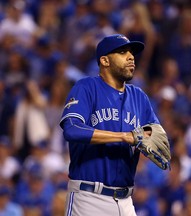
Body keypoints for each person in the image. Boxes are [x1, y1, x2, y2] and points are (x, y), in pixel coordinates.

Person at [60, 34, 169, 216]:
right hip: (89, 199)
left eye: (132, 53)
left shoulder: (138, 96)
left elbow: (157, 135)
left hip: (126, 202)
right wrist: (124, 137)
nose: (131, 57)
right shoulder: (87, 87)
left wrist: (148, 139)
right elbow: (71, 128)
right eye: (122, 52)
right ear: (104, 61)